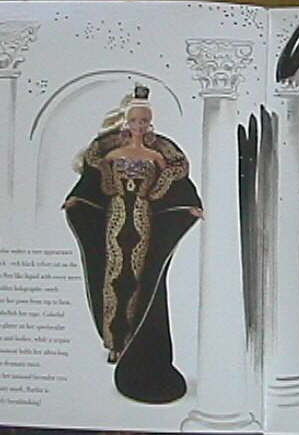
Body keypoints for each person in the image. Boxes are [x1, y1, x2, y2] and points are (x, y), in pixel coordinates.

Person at [63, 84, 203, 403]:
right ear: (126, 122)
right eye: (135, 121)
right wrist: (76, 202)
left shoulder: (159, 157)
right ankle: (116, 343)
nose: (139, 126)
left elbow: (178, 187)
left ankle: (138, 344)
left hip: (143, 223)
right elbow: (90, 184)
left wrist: (189, 207)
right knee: (113, 279)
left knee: (142, 281)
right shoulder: (109, 156)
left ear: (150, 124)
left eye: (145, 121)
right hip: (114, 222)